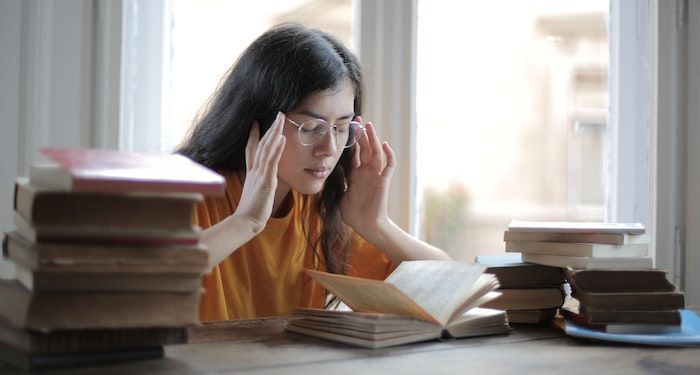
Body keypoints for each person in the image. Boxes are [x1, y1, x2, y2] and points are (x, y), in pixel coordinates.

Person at [177, 23, 450, 321]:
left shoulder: (317, 209)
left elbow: (446, 288)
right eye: (311, 128)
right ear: (258, 122)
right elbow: (140, 281)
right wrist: (247, 221)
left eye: (341, 127)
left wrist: (375, 224)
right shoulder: (187, 194)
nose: (328, 148)